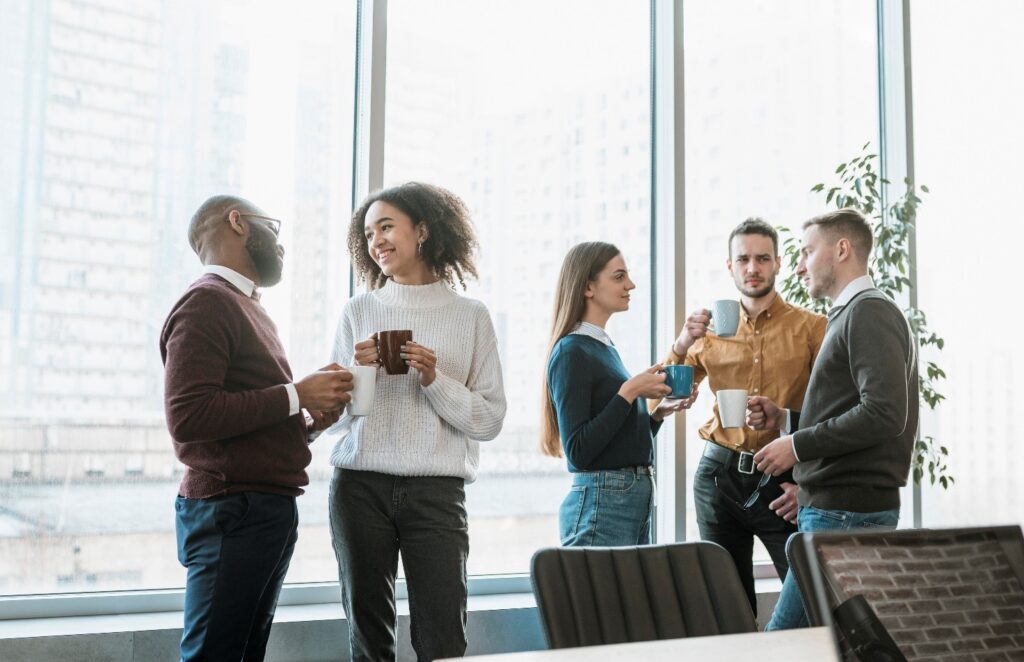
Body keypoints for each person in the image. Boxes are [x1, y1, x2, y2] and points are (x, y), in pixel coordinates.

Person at [161, 194, 353, 661]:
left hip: (258, 509)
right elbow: (189, 417)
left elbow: (240, 419)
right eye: (274, 228)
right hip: (233, 510)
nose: (281, 245)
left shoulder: (246, 306)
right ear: (238, 223)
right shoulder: (207, 301)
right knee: (216, 655)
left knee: (244, 653)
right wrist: (297, 395)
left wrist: (307, 424)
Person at [327, 182, 506, 662]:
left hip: (436, 493)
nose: (376, 241)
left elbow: (489, 419)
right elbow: (338, 419)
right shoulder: (358, 310)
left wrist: (433, 378)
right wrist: (357, 375)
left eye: (387, 226)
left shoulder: (470, 316)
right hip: (359, 486)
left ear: (423, 231)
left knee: (443, 637)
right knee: (368, 639)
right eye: (367, 234)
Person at [748, 208, 918, 630]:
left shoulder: (868, 312)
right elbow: (851, 408)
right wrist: (788, 420)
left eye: (807, 251)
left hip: (844, 513)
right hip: (838, 510)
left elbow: (882, 413)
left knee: (781, 644)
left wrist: (797, 446)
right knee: (833, 646)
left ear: (841, 249)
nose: (800, 264)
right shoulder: (851, 314)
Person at [653, 218, 826, 616]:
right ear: (730, 266)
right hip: (718, 475)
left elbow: (830, 414)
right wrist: (681, 343)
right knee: (727, 607)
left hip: (783, 480)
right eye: (743, 259)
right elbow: (663, 393)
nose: (753, 268)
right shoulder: (707, 333)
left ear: (779, 263)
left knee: (808, 603)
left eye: (762, 258)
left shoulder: (812, 328)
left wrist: (810, 486)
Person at [541, 241, 690, 547]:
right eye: (619, 276)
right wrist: (630, 390)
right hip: (604, 502)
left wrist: (657, 414)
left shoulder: (603, 347)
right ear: (588, 288)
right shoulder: (572, 351)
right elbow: (579, 451)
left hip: (625, 498)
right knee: (602, 596)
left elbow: (616, 442)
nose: (630, 285)